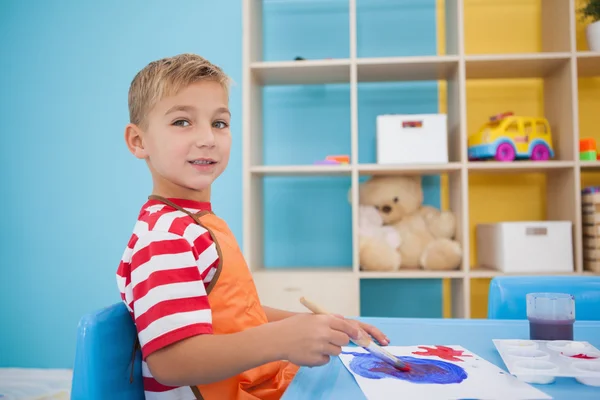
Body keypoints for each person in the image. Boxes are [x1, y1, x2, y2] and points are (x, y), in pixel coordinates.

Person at [116, 53, 390, 400]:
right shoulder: (164, 237)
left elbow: (238, 315)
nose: (207, 138)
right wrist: (282, 339)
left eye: (219, 123)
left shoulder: (196, 223)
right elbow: (172, 362)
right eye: (182, 122)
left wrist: (314, 325)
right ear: (138, 141)